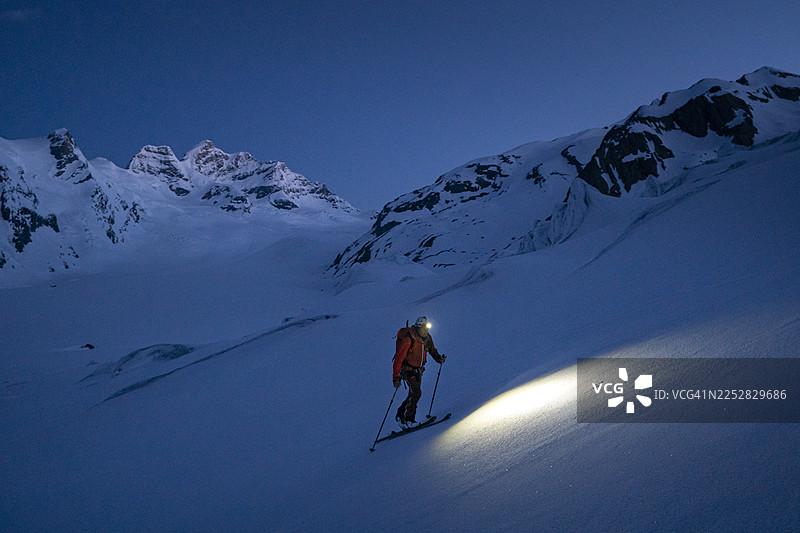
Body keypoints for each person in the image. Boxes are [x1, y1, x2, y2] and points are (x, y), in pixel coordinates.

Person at [393, 316, 446, 428]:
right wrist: (396, 378)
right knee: (416, 393)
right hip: (408, 370)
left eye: (426, 328)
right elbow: (399, 358)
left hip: (418, 371)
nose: (425, 330)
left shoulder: (427, 338)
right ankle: (409, 420)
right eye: (423, 328)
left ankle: (400, 415)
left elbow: (432, 350)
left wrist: (439, 359)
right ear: (418, 328)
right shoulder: (409, 339)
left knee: (413, 394)